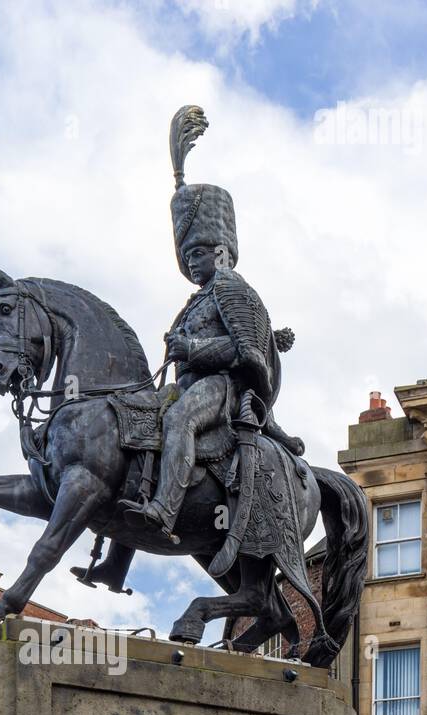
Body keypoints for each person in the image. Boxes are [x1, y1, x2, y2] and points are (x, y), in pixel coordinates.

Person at [120, 105, 302, 541]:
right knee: (136, 424)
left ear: (217, 252)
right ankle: (115, 553)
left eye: (196, 255)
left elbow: (244, 350)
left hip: (223, 387)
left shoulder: (231, 287)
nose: (190, 263)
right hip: (189, 381)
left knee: (179, 418)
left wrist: (191, 349)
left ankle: (165, 510)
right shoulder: (195, 299)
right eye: (186, 257)